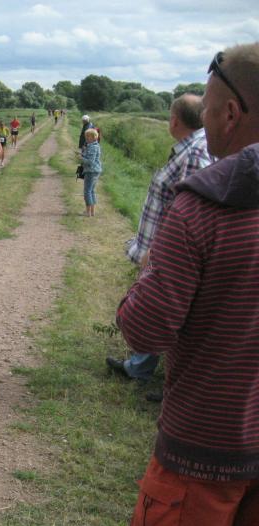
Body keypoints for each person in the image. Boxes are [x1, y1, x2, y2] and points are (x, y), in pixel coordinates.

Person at [118, 42, 259, 526]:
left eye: (209, 103)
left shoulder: (202, 205)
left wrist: (147, 276)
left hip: (204, 447)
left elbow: (147, 330)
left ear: (230, 113)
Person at [106, 94, 211, 397]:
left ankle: (175, 386)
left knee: (172, 313)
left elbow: (191, 210)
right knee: (163, 308)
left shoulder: (194, 154)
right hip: (164, 248)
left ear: (175, 121)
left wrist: (160, 248)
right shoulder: (190, 148)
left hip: (171, 253)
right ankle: (141, 368)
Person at [80, 128, 102, 216]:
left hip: (91, 171)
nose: (86, 138)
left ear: (94, 137)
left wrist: (81, 158)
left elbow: (90, 161)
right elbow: (88, 157)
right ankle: (92, 211)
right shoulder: (93, 146)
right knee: (91, 190)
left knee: (87, 191)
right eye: (86, 136)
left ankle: (88, 212)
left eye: (88, 136)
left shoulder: (93, 147)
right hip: (94, 170)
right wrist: (82, 154)